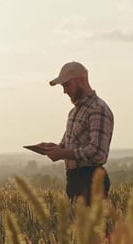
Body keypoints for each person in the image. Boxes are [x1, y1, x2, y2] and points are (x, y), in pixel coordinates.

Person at [39, 61, 114, 207]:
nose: (64, 91)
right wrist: (52, 148)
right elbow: (67, 146)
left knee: (92, 229)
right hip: (74, 181)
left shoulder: (98, 109)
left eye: (67, 85)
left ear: (81, 80)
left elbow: (98, 152)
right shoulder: (74, 112)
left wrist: (62, 153)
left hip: (91, 180)